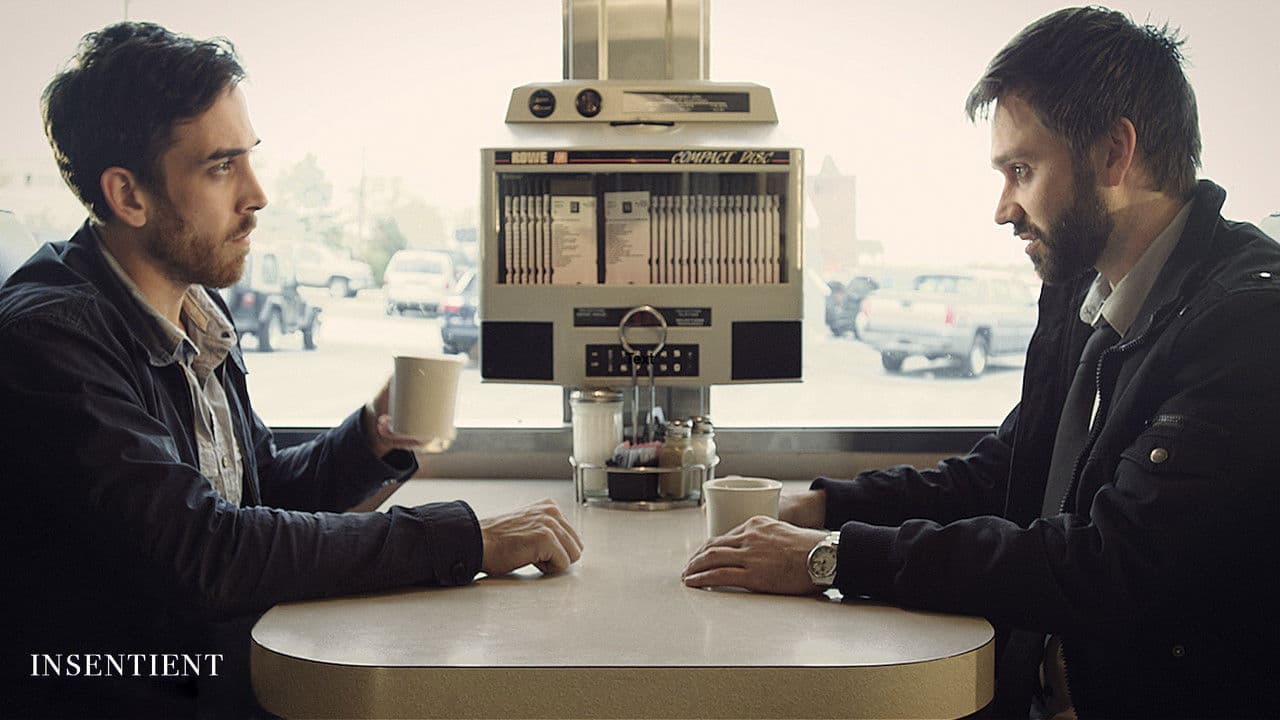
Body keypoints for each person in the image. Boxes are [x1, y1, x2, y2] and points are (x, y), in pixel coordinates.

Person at [683, 7, 1280, 718]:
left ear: (1114, 155)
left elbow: (1111, 562)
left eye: (1021, 171)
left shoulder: (1246, 323)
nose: (1004, 209)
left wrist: (834, 556)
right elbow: (1009, 471)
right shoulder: (1084, 290)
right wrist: (824, 505)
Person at [0, 22, 583, 718]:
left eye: (249, 158)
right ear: (129, 196)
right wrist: (466, 539)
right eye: (222, 167)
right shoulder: (47, 341)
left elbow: (256, 498)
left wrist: (370, 440)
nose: (257, 193)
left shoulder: (195, 311)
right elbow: (205, 550)